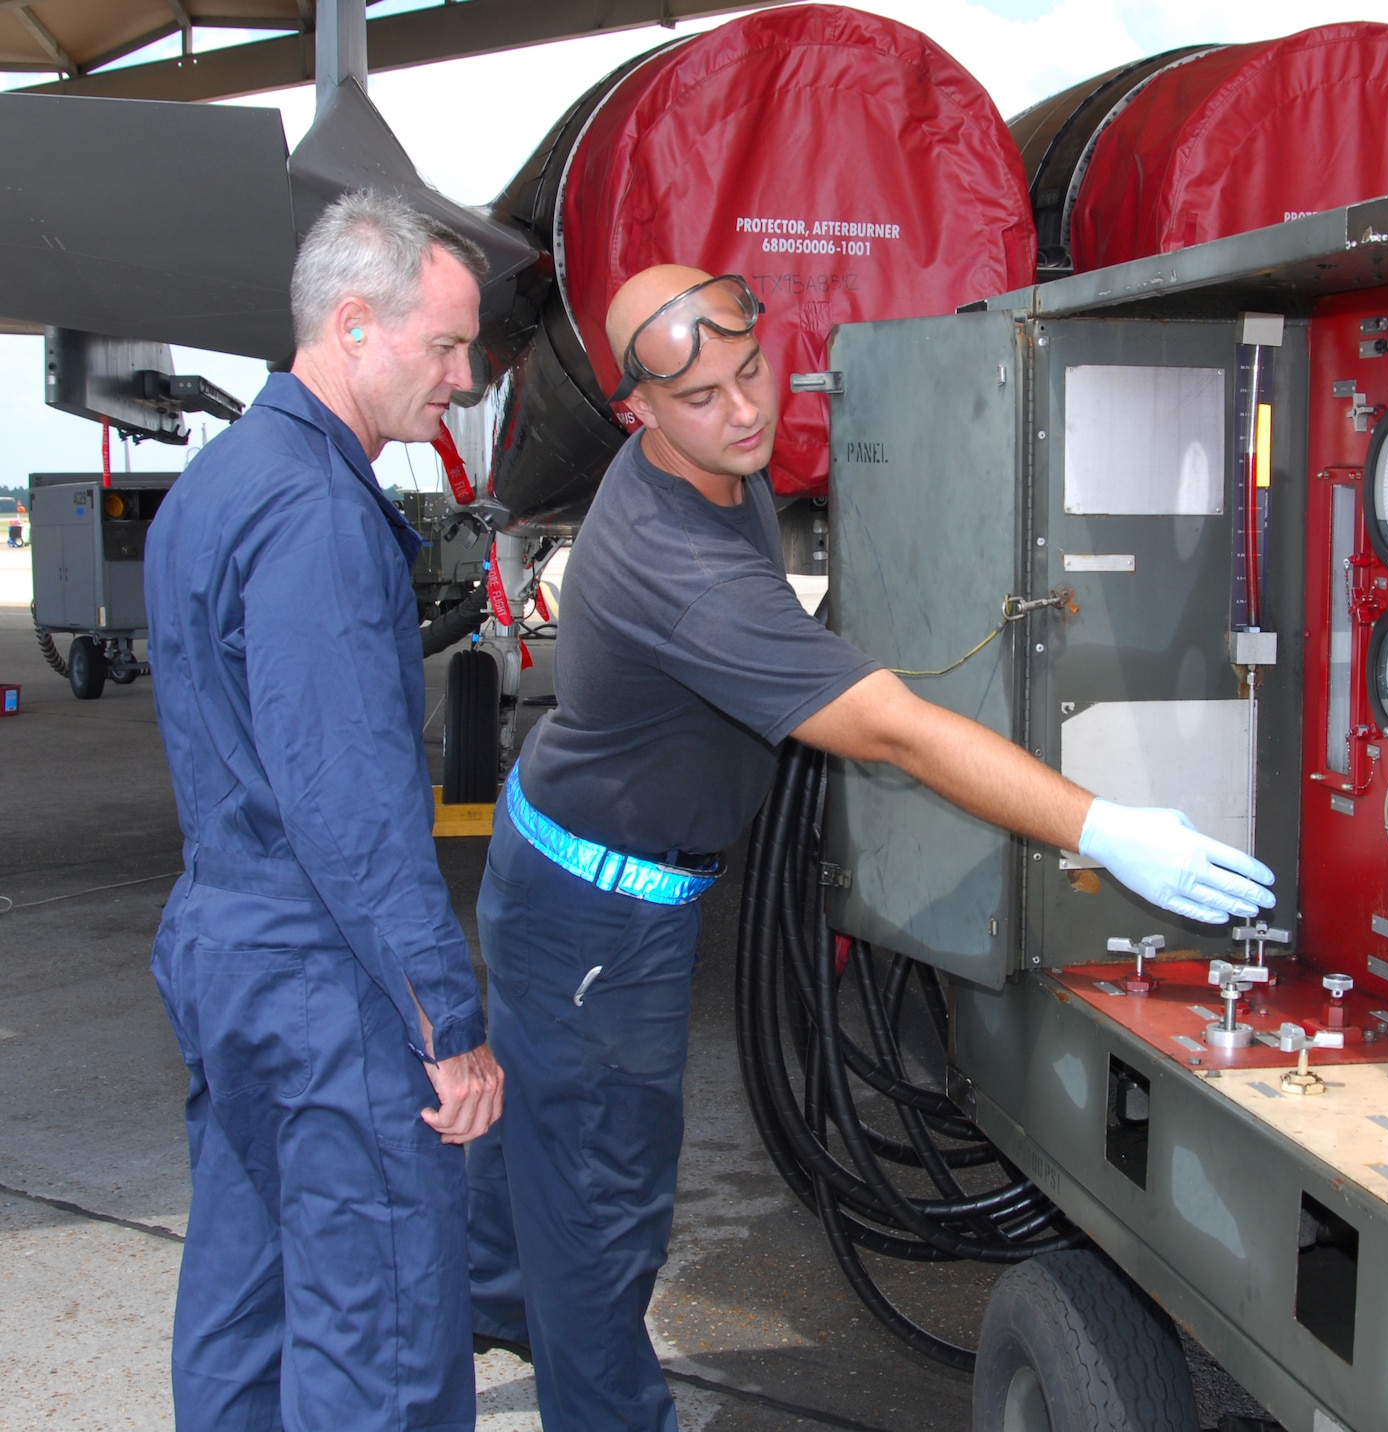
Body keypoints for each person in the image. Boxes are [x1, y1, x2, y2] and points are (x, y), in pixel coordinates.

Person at [466, 263, 1275, 1429]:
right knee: (600, 1219)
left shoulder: (715, 474)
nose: (744, 412)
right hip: (596, 925)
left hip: (569, 874)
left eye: (751, 372)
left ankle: (448, 1326)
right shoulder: (672, 565)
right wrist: (1104, 824)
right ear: (635, 411)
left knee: (531, 1183)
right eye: (701, 397)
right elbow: (889, 727)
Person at [146, 190, 505, 1430]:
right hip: (323, 986)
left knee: (246, 1308)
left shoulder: (221, 479)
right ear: (356, 323)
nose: (461, 378)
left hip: (228, 955)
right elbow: (349, 801)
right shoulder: (315, 510)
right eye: (445, 345)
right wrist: (444, 1021)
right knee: (384, 1347)